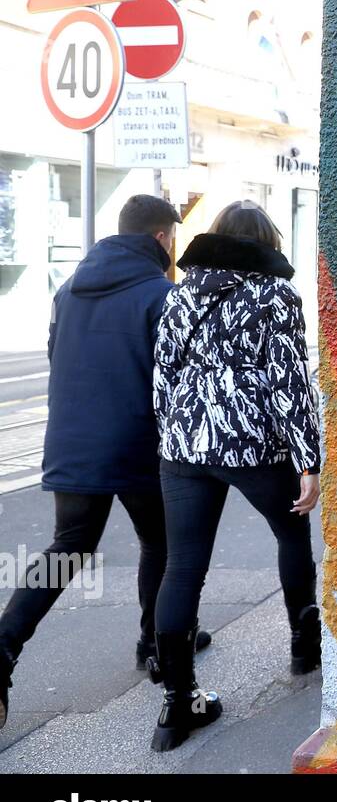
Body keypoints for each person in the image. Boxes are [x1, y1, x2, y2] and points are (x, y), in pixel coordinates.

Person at [0, 195, 210, 731]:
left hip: (73, 443)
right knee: (160, 542)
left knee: (68, 547)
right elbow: (181, 380)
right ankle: (157, 646)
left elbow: (56, 358)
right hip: (138, 442)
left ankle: (3, 648)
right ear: (162, 239)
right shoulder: (163, 295)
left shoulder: (68, 290)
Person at [149, 200, 321, 751]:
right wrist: (307, 460)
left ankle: (178, 707)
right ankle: (303, 645)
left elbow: (163, 377)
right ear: (268, 241)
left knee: (182, 567)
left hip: (183, 444)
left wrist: (174, 431)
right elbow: (288, 382)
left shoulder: (181, 293)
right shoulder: (276, 296)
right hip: (252, 444)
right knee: (291, 531)